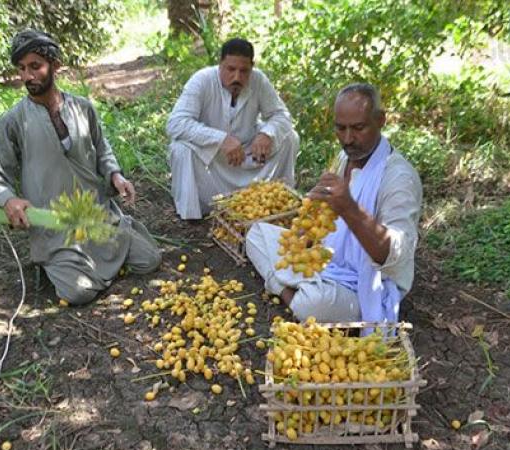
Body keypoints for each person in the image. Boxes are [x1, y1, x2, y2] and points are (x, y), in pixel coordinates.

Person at [0, 30, 161, 305]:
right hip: (55, 228)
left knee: (149, 260)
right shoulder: (13, 121)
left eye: (35, 66)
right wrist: (8, 200)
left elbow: (103, 149)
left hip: (95, 215)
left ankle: (113, 240)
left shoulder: (83, 108)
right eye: (21, 69)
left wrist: (115, 175)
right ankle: (59, 263)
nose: (27, 76)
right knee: (78, 293)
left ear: (55, 65)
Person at [246, 83, 422, 325]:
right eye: (341, 128)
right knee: (256, 233)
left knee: (315, 304)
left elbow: (395, 254)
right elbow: (323, 224)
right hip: (329, 258)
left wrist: (349, 208)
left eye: (358, 128)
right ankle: (294, 292)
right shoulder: (344, 157)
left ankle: (291, 294)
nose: (348, 139)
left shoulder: (399, 178)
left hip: (365, 283)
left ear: (380, 120)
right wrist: (311, 213)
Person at [166, 38, 299, 220]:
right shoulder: (202, 80)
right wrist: (221, 140)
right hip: (213, 157)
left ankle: (277, 200)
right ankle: (196, 212)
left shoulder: (258, 80)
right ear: (220, 65)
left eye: (244, 71)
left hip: (247, 153)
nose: (237, 77)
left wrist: (267, 134)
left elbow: (281, 115)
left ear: (252, 68)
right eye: (231, 69)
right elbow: (176, 123)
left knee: (289, 137)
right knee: (180, 148)